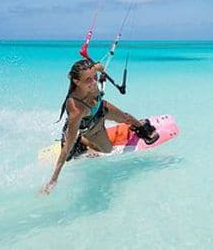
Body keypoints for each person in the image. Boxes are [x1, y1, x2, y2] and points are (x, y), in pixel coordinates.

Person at [42, 59, 158, 194]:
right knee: (105, 150)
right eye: (88, 80)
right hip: (91, 126)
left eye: (94, 78)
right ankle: (82, 142)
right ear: (76, 81)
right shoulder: (76, 109)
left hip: (102, 108)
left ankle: (142, 128)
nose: (93, 82)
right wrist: (53, 179)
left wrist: (100, 69)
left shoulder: (91, 71)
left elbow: (98, 67)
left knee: (126, 117)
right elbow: (68, 145)